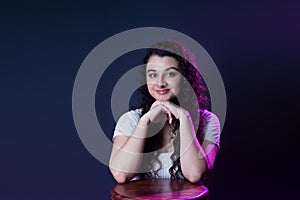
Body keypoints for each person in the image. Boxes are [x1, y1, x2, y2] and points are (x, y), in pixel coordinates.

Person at [109, 40, 220, 184]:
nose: (160, 83)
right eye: (153, 75)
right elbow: (121, 175)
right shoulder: (131, 119)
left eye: (170, 74)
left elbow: (194, 174)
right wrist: (144, 123)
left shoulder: (208, 121)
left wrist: (184, 118)